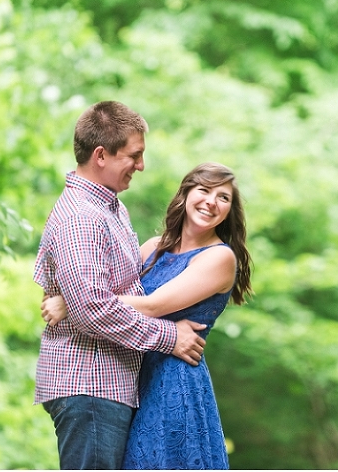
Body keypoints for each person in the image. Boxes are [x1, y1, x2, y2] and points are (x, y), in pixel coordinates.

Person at [42, 162, 253, 469]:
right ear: (185, 194)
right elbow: (104, 290)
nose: (211, 201)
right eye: (204, 190)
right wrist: (73, 293)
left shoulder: (220, 257)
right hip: (129, 375)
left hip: (173, 381)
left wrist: (71, 304)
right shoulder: (153, 249)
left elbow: (153, 305)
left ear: (229, 210)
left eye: (223, 197)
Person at [33, 101, 208, 470]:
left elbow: (112, 289)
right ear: (101, 155)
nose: (141, 166)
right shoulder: (81, 217)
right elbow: (94, 310)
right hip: (90, 385)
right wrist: (169, 337)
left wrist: (69, 299)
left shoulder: (111, 209)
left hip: (109, 386)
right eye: (134, 155)